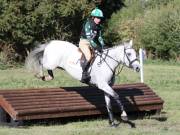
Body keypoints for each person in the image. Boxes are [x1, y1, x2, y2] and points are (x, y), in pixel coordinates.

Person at [79, 7, 105, 82]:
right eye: (97, 18)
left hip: (92, 42)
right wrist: (97, 47)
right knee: (89, 56)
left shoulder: (99, 27)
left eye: (100, 18)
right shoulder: (88, 24)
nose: (99, 20)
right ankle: (84, 74)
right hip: (84, 42)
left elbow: (99, 37)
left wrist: (103, 45)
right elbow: (90, 39)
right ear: (93, 17)